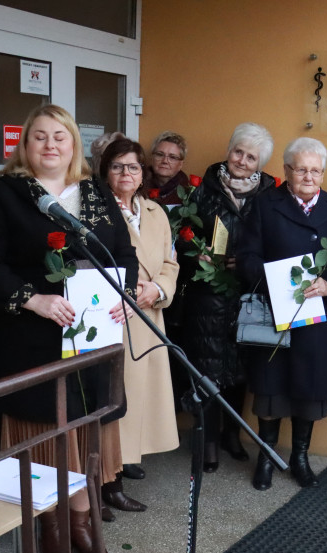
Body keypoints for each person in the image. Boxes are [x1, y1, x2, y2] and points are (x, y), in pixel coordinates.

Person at [0, 104, 138, 553]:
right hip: (31, 338)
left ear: (73, 145)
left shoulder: (96, 192)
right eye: (39, 136)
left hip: (92, 336)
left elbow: (122, 251)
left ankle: (82, 520)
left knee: (85, 427)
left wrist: (124, 291)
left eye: (59, 136)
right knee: (46, 431)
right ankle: (51, 522)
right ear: (25, 144)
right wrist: (33, 299)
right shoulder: (5, 194)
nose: (50, 145)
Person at [238, 137, 327, 490]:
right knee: (270, 386)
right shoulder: (265, 205)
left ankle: (300, 457)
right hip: (274, 312)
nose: (308, 176)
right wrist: (273, 280)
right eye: (301, 169)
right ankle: (266, 456)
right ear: (287, 170)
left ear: (323, 174)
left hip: (317, 316)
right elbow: (246, 256)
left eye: (315, 170)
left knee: (309, 387)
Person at [180, 122, 277, 472]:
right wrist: (196, 253)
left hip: (247, 292)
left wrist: (252, 261)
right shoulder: (202, 188)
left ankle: (232, 435)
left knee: (239, 368)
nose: (242, 160)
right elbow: (180, 235)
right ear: (229, 150)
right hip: (207, 295)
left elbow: (274, 239)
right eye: (238, 151)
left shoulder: (270, 193)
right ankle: (206, 443)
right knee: (206, 367)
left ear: (260, 163)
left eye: (251, 157)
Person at [97, 136, 179, 513]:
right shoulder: (96, 210)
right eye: (117, 166)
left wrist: (158, 289)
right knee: (116, 400)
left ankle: (122, 467)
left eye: (132, 167)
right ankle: (106, 482)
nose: (125, 173)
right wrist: (132, 291)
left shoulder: (155, 212)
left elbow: (170, 263)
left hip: (151, 313)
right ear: (105, 171)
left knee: (140, 398)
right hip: (115, 314)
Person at [147, 130, 190, 205]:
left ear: (181, 164)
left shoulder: (189, 193)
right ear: (152, 158)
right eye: (160, 154)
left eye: (172, 157)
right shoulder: (137, 186)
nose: (165, 161)